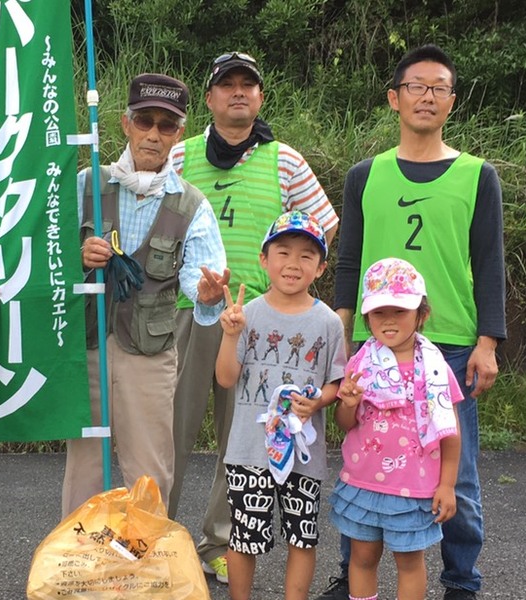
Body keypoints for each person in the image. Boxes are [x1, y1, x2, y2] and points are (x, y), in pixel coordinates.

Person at [322, 44, 507, 600]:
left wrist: (488, 342)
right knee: (363, 460)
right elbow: (349, 260)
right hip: (373, 343)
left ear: (452, 101)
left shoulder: (478, 176)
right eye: (416, 86)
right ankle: (351, 576)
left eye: (439, 88)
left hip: (448, 344)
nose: (427, 96)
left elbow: (489, 262)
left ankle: (461, 581)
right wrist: (342, 331)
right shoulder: (365, 175)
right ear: (394, 98)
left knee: (457, 471)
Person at [168, 50, 340, 584]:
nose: (238, 92)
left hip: (260, 324)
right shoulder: (181, 156)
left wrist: (284, 282)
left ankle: (218, 541)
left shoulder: (284, 160)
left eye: (248, 85)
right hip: (188, 312)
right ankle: (155, 540)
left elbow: (323, 225)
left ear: (261, 97)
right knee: (169, 431)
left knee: (241, 435)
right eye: (228, 85)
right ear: (210, 98)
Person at [62, 73, 227, 518]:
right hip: (88, 346)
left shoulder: (192, 205)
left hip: (151, 354)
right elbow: (48, 257)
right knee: (84, 469)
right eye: (144, 121)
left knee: (150, 472)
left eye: (166, 125)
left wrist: (208, 295)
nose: (154, 134)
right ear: (126, 124)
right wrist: (79, 256)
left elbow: (200, 280)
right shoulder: (86, 184)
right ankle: (80, 556)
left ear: (179, 133)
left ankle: (148, 556)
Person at [213, 210, 345, 600]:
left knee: (302, 537)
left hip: (303, 453)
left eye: (307, 255)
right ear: (263, 259)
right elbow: (225, 378)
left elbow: (336, 383)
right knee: (244, 537)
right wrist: (230, 336)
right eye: (283, 252)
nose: (293, 263)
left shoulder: (328, 323)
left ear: (321, 268)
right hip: (249, 450)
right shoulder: (246, 315)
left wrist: (318, 402)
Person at [330, 258, 462, 600]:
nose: (389, 320)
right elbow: (345, 424)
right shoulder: (361, 363)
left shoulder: (436, 368)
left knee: (409, 563)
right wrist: (348, 403)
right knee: (362, 559)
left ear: (422, 314)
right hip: (363, 482)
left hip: (414, 488)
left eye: (400, 311)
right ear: (367, 318)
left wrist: (447, 484)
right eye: (379, 312)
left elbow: (450, 432)